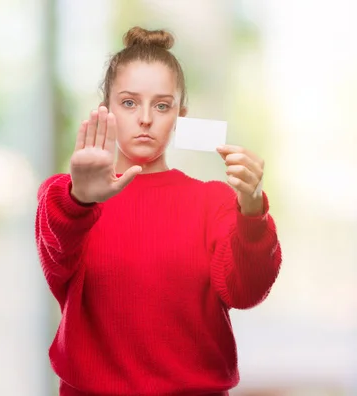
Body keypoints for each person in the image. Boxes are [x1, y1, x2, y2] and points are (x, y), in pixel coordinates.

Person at [35, 26, 282, 396]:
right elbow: (57, 257)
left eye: (162, 105)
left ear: (181, 116)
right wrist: (80, 199)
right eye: (130, 102)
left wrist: (251, 211)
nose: (146, 119)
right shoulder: (64, 197)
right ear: (106, 109)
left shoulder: (213, 202)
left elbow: (246, 293)